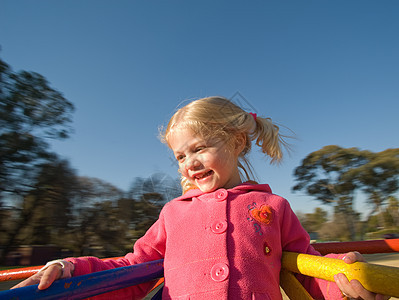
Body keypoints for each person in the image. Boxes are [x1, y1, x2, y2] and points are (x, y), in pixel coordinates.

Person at [13, 96, 388, 299]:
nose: (190, 164)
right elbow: (132, 268)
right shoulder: (173, 213)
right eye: (180, 156)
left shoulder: (274, 207)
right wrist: (73, 269)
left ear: (237, 141)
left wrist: (342, 277)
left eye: (200, 148)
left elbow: (306, 267)